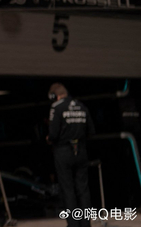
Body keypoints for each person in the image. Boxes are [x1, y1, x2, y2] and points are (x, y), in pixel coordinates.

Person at [47, 83, 95, 227]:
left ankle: (73, 224)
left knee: (67, 189)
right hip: (81, 150)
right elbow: (91, 132)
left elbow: (53, 134)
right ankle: (86, 223)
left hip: (63, 151)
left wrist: (49, 139)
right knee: (83, 189)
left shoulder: (56, 107)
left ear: (54, 96)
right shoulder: (82, 106)